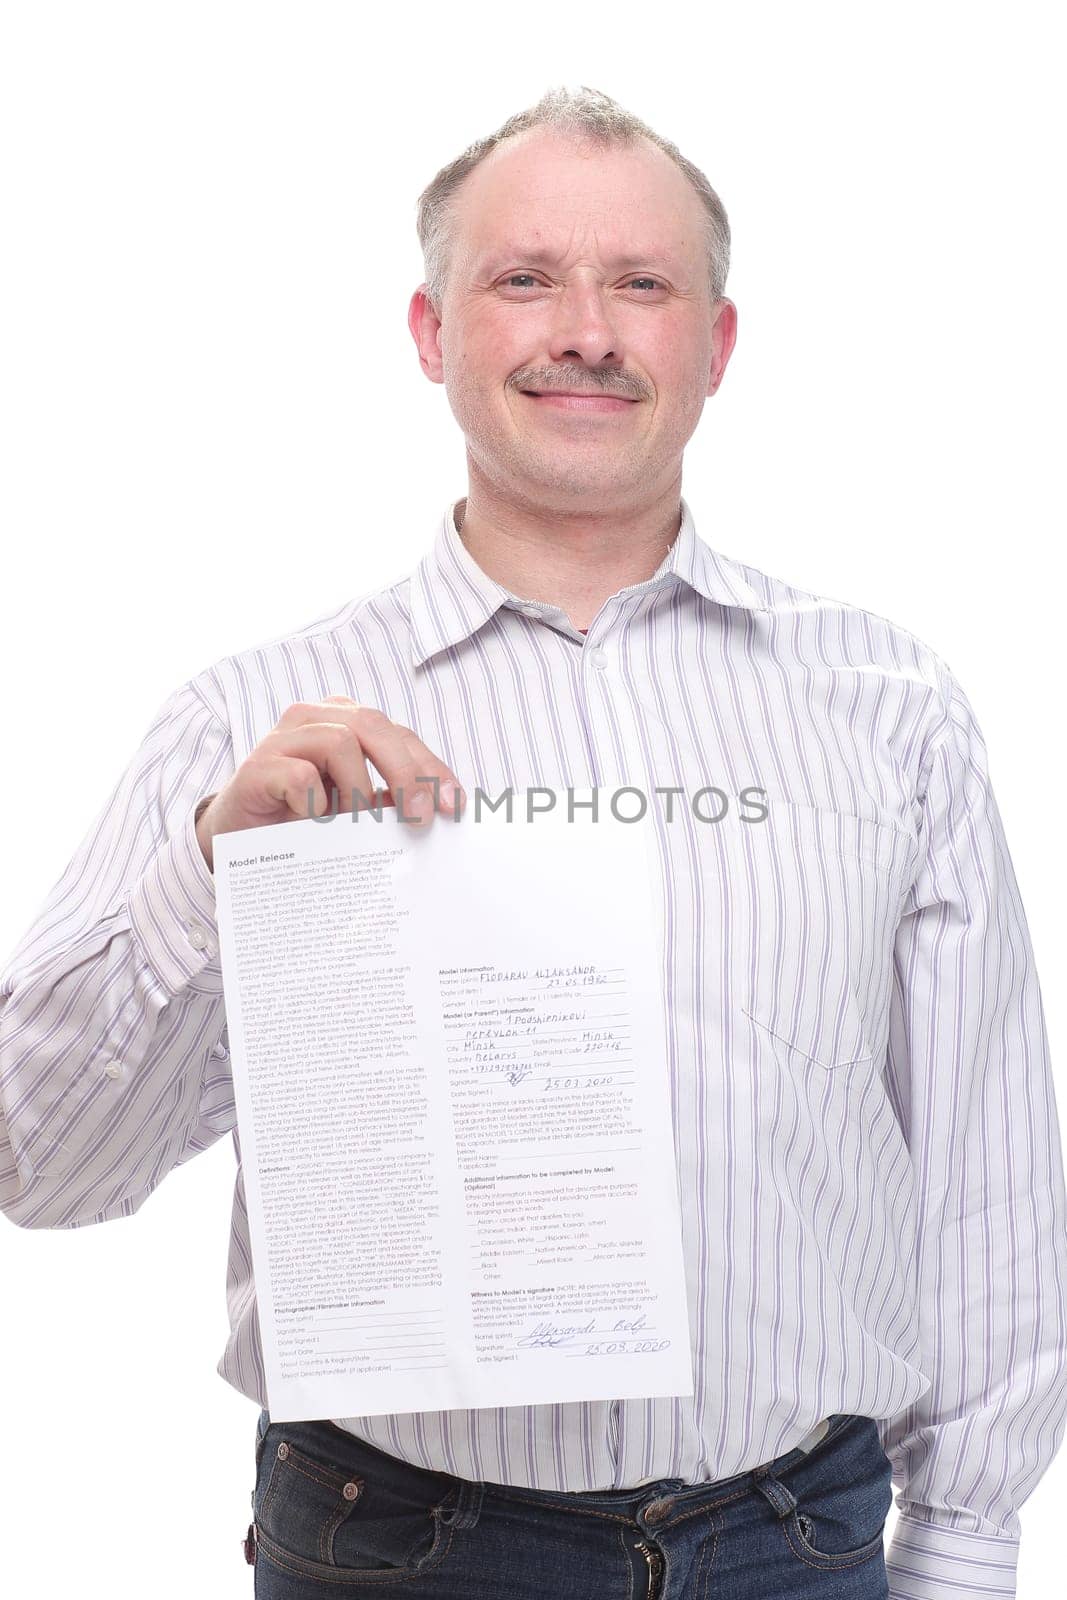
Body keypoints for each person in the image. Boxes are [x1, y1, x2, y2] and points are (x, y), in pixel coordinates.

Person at [2, 82, 1065, 1600]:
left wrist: (961, 1551)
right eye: (525, 280)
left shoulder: (889, 710)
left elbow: (984, 1162)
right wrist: (206, 872)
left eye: (641, 284)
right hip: (393, 1552)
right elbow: (39, 1168)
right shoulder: (243, 726)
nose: (586, 329)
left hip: (800, 1545)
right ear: (433, 337)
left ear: (716, 344)